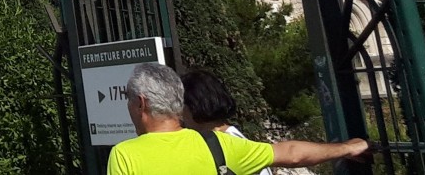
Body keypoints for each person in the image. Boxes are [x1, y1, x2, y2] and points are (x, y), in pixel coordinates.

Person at [109, 62, 368, 173]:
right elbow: (292, 153)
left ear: (141, 103)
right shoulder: (218, 144)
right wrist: (347, 147)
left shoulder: (125, 155)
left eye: (129, 100)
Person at [181, 66, 371, 171]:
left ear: (193, 105)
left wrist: (346, 148)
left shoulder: (224, 142)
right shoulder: (226, 139)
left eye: (180, 105)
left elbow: (293, 154)